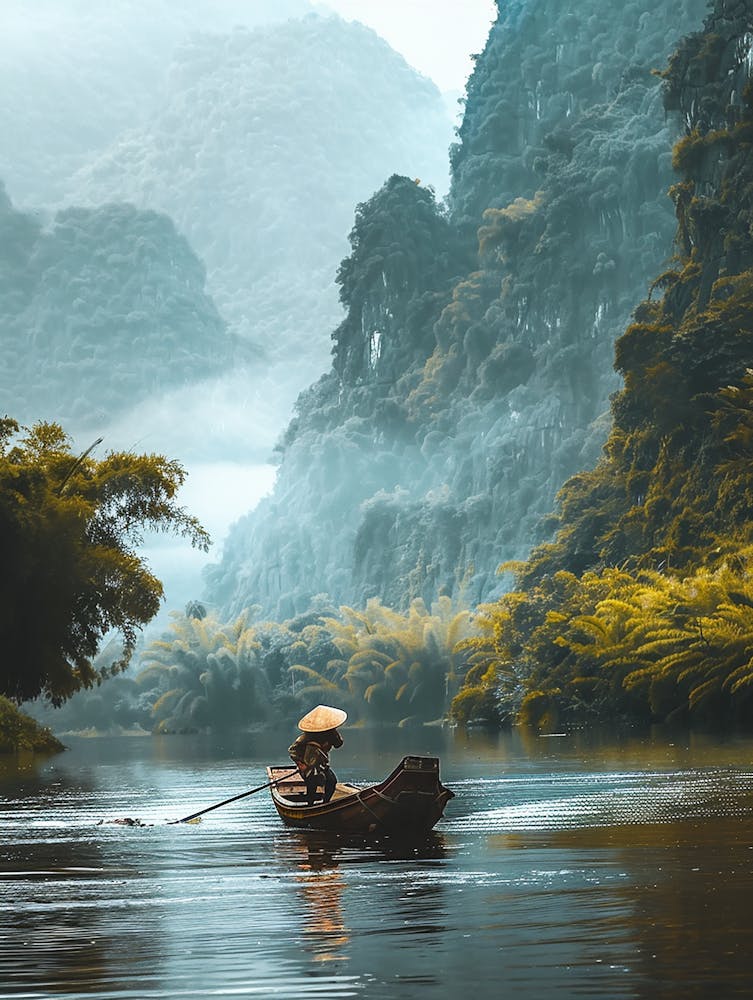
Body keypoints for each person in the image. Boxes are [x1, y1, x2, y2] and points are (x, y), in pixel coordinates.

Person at [288, 704, 347, 806]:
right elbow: (292, 750)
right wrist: (301, 764)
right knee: (312, 784)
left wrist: (335, 733)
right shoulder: (307, 736)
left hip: (322, 765)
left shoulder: (331, 733)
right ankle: (310, 805)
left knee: (332, 781)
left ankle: (325, 803)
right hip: (308, 766)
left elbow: (338, 744)